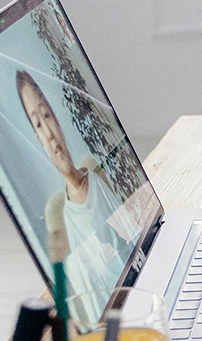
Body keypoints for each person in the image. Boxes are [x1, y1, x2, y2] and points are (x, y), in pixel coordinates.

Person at [17, 69, 129, 308]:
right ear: (37, 139)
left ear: (57, 119)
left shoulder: (95, 171)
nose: (48, 134)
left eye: (47, 116)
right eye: (38, 124)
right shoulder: (58, 215)